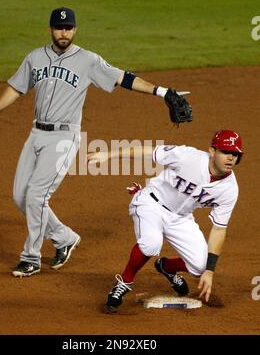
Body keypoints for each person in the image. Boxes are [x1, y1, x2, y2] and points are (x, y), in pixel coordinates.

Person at [0, 7, 191, 277]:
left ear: (75, 29)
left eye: (69, 28)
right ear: (51, 29)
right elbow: (16, 88)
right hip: (36, 134)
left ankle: (31, 258)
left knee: (37, 195)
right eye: (60, 28)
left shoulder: (88, 60)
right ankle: (64, 238)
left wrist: (161, 92)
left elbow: (124, 78)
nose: (64, 33)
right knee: (21, 198)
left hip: (63, 138)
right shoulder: (35, 58)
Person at [87, 130, 243, 312]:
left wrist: (210, 270)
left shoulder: (229, 189)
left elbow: (219, 229)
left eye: (235, 154)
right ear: (212, 151)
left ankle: (166, 267)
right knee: (151, 244)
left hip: (181, 219)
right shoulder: (187, 157)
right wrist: (109, 154)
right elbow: (149, 152)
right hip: (151, 204)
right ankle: (125, 281)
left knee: (202, 265)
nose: (231, 157)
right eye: (226, 152)